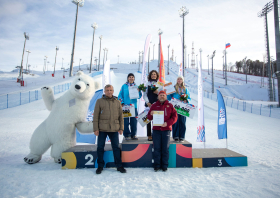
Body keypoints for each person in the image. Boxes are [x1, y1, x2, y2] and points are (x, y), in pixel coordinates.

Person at [93, 84, 126, 174]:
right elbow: (95, 116)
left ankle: (119, 166)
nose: (109, 92)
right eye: (107, 90)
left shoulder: (117, 102)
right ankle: (100, 166)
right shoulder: (99, 101)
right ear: (104, 91)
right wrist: (95, 129)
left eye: (110, 90)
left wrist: (121, 128)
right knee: (100, 147)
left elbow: (121, 116)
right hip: (102, 129)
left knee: (116, 147)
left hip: (114, 128)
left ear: (113, 91)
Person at [147, 90, 178, 172]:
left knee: (165, 149)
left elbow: (175, 117)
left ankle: (164, 165)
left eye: (163, 95)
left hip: (166, 130)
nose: (162, 96)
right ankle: (157, 165)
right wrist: (151, 114)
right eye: (160, 95)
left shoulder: (170, 105)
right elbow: (148, 118)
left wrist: (167, 123)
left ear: (166, 96)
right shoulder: (154, 105)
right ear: (158, 96)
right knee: (156, 148)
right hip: (156, 130)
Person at [118, 73, 142, 140]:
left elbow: (139, 97)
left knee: (133, 121)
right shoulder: (124, 86)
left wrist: (139, 92)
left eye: (132, 77)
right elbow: (120, 95)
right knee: (125, 122)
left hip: (134, 106)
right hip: (126, 106)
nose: (131, 78)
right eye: (130, 77)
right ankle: (127, 135)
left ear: (134, 78)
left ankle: (133, 135)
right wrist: (122, 102)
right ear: (128, 78)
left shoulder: (136, 86)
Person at [167, 75, 191, 142]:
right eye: (178, 79)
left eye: (180, 79)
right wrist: (167, 92)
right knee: (175, 122)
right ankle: (176, 136)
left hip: (183, 107)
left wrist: (187, 100)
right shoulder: (173, 88)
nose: (179, 80)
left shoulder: (185, 89)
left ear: (182, 80)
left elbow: (189, 98)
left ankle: (182, 136)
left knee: (182, 122)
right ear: (176, 80)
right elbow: (169, 97)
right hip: (175, 107)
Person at [143, 70, 159, 141]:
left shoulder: (159, 84)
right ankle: (149, 135)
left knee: (156, 120)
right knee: (148, 120)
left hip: (157, 105)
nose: (153, 75)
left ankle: (155, 135)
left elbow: (162, 95)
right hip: (149, 104)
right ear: (150, 75)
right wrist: (147, 102)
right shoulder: (147, 84)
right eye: (152, 74)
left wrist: (158, 92)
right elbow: (145, 94)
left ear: (156, 75)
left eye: (154, 74)